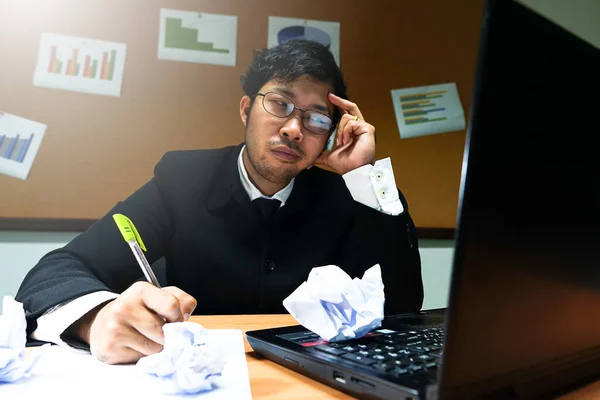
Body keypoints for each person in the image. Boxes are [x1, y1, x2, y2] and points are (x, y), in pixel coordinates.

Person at [16, 39, 423, 365]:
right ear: (246, 109)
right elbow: (57, 270)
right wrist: (96, 318)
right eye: (279, 104)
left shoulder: (347, 194)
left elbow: (404, 306)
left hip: (311, 379)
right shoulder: (183, 179)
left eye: (317, 118)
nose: (295, 129)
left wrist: (364, 177)